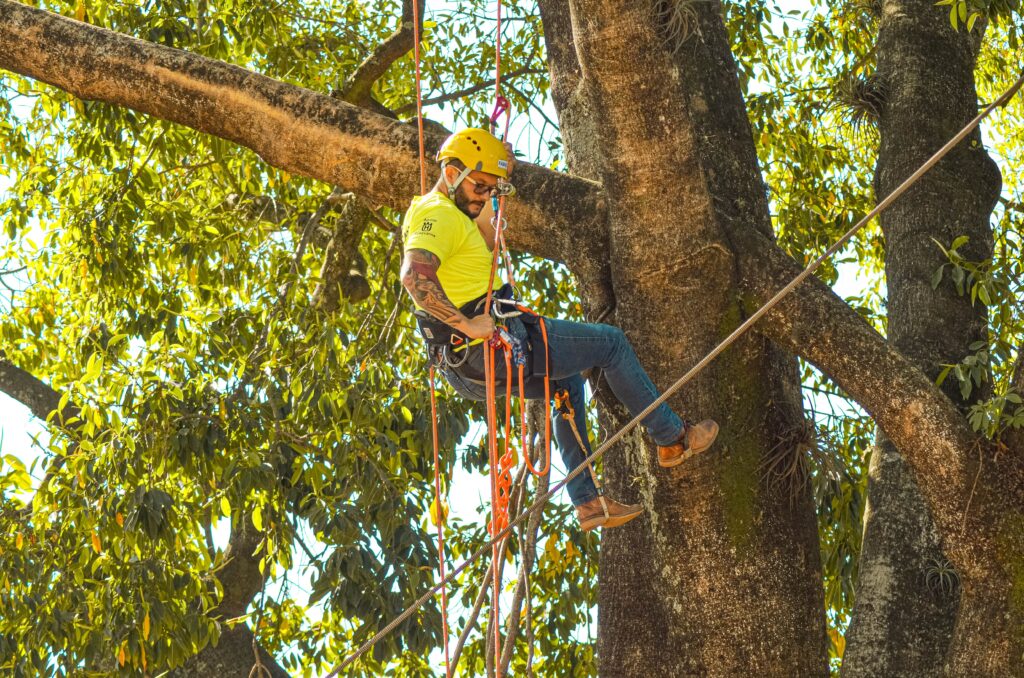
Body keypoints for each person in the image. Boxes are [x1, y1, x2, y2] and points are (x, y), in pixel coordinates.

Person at [400, 128, 719, 532]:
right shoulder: (437, 214)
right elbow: (415, 277)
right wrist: (467, 324)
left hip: (471, 363)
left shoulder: (451, 209)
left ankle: (588, 504)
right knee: (611, 344)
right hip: (483, 346)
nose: (485, 195)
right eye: (479, 186)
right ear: (450, 174)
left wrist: (496, 175)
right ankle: (673, 438)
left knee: (566, 384)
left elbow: (482, 230)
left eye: (491, 189)